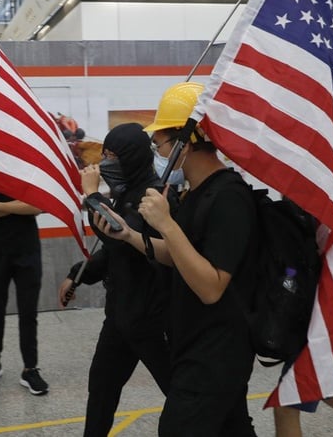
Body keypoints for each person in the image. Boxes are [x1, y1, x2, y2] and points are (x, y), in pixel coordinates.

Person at [94, 82, 259, 437]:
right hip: (190, 339)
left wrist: (166, 222)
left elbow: (212, 286)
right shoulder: (196, 194)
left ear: (188, 139)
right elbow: (180, 256)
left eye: (161, 142)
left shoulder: (229, 198)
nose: (158, 151)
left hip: (218, 350)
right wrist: (130, 235)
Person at [58, 122, 174, 437]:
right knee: (101, 392)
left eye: (113, 155)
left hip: (152, 321)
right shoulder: (124, 192)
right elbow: (113, 252)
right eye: (105, 153)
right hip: (120, 319)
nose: (107, 161)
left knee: (180, 397)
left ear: (133, 157)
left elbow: (120, 234)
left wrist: (92, 194)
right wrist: (77, 276)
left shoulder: (153, 195)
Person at [0, 183, 49, 395]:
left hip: (28, 251)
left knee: (28, 313)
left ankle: (30, 369)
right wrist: (19, 206)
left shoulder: (26, 173)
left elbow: (36, 207)